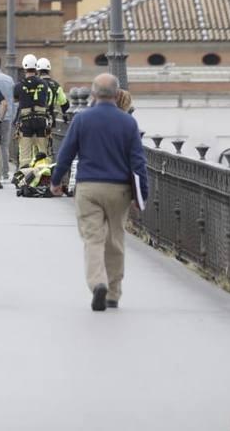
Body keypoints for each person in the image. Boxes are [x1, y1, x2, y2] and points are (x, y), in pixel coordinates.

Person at [49, 74, 147, 312]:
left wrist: (55, 181)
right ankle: (113, 293)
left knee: (93, 239)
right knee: (115, 239)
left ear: (93, 94)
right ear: (116, 95)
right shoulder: (128, 123)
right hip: (119, 189)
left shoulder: (83, 120)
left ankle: (98, 283)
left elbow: (66, 153)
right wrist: (141, 194)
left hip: (88, 187)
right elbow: (138, 162)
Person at [13, 54, 52, 168]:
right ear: (36, 68)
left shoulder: (19, 85)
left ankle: (25, 176)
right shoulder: (44, 84)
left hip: (26, 120)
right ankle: (43, 174)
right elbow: (46, 99)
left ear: (24, 68)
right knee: (42, 149)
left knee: (25, 151)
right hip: (41, 119)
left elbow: (16, 99)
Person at [36, 57, 70, 134]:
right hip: (50, 118)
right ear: (49, 70)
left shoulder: (35, 83)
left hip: (35, 118)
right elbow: (64, 103)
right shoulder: (56, 85)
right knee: (48, 142)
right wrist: (65, 115)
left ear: (38, 71)